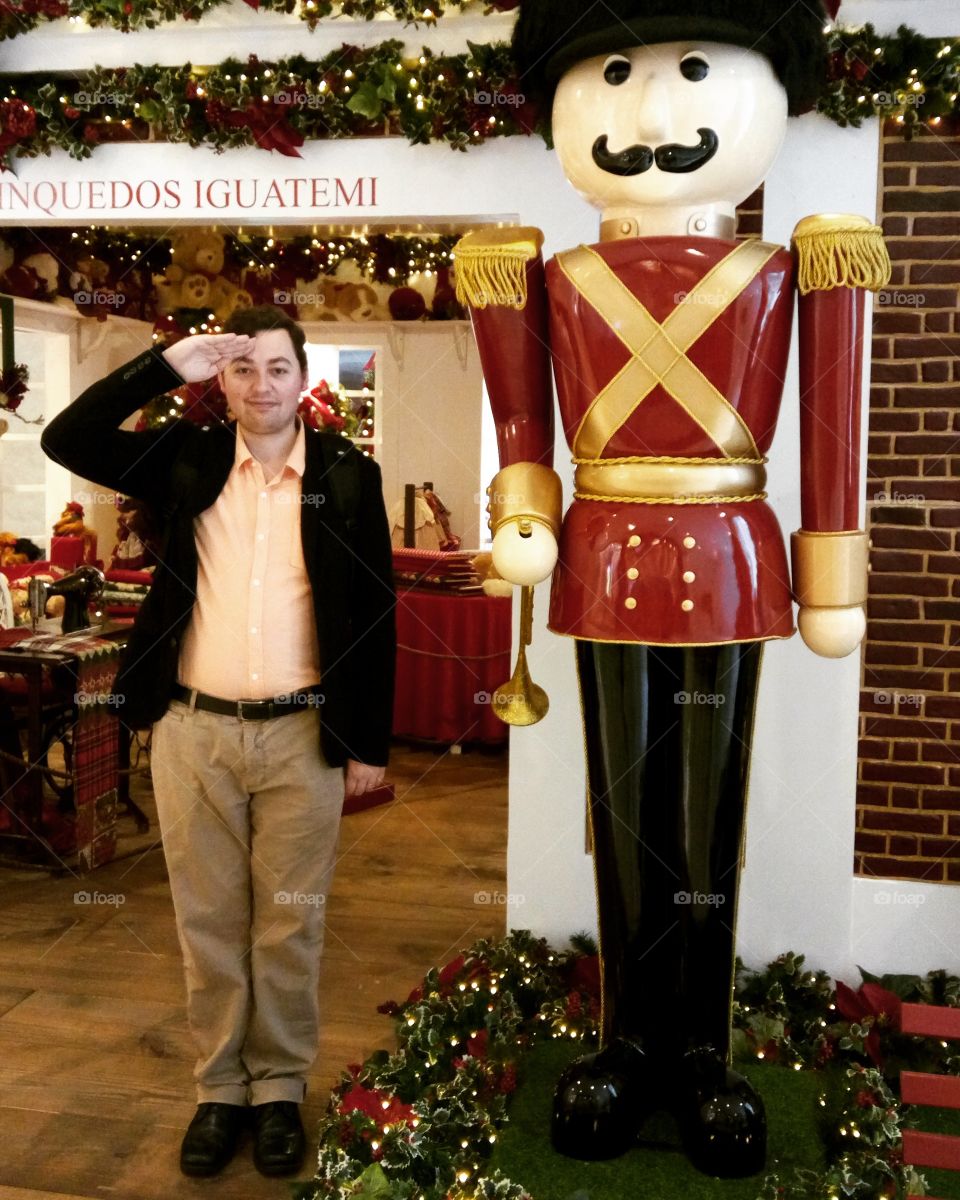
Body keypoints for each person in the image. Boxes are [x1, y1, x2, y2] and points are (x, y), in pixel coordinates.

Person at [455, 0, 889, 1177]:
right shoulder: (545, 273)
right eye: (615, 76)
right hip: (600, 560)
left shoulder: (794, 262)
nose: (651, 113)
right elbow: (520, 425)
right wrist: (526, 514)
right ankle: (626, 1042)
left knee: (709, 820)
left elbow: (834, 429)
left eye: (691, 73)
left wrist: (830, 571)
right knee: (620, 814)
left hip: (731, 560)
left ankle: (699, 1053)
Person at [41, 305, 396, 1178]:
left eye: (277, 368)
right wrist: (167, 365)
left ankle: (277, 1088)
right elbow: (67, 436)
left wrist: (369, 744)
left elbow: (377, 614)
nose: (261, 386)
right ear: (222, 380)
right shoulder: (187, 459)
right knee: (207, 921)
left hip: (303, 734)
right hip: (191, 729)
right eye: (242, 370)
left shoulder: (348, 475)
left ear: (303, 376)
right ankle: (218, 1091)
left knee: (288, 927)